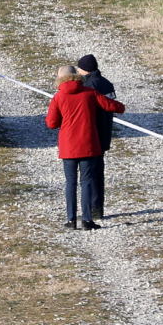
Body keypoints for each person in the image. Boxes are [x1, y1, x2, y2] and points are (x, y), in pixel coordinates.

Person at [45, 64, 124, 232]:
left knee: (71, 182)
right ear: (77, 76)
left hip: (68, 146)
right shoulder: (90, 93)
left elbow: (51, 123)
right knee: (87, 181)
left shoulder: (58, 97)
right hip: (88, 144)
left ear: (60, 79)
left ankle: (71, 220)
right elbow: (115, 106)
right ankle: (87, 219)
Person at [74, 54, 118, 221]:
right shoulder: (107, 83)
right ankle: (98, 207)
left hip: (92, 135)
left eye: (79, 68)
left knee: (90, 173)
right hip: (105, 133)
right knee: (99, 172)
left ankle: (93, 208)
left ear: (86, 70)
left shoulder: (89, 86)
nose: (77, 70)